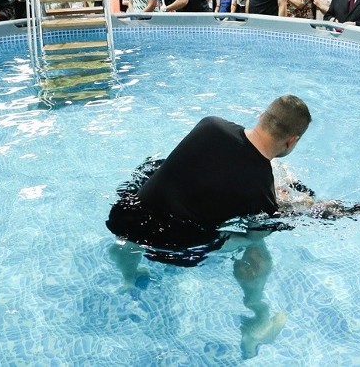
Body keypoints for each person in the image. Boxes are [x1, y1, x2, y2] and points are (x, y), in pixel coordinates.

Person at [106, 96, 312, 356]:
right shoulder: (261, 191)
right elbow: (258, 225)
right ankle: (257, 317)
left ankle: (129, 277)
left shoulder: (210, 125)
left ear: (261, 115)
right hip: (176, 246)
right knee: (258, 247)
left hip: (128, 220)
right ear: (292, 141)